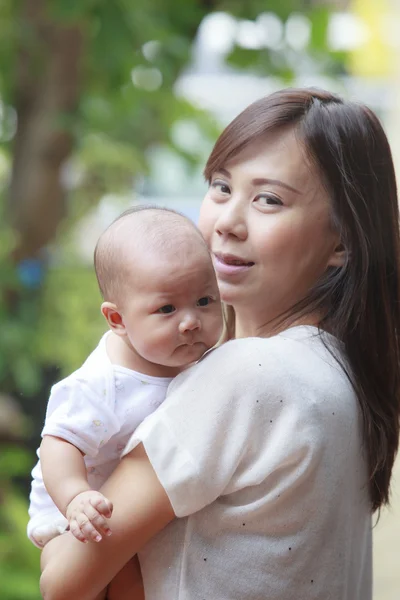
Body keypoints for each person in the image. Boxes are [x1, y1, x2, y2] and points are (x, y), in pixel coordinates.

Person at [40, 88, 400, 600]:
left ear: (341, 241)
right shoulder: (343, 372)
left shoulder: (249, 373)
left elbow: (61, 583)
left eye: (269, 199)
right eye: (221, 186)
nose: (227, 222)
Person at [28, 206, 223, 599]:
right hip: (77, 519)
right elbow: (58, 443)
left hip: (136, 516)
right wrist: (75, 497)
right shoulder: (102, 384)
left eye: (204, 300)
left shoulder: (196, 358)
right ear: (117, 320)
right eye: (167, 309)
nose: (190, 321)